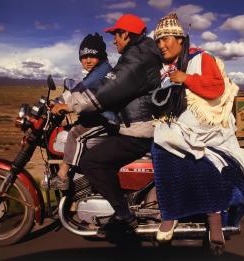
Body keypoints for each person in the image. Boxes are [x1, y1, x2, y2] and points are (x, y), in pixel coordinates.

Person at [151, 13, 244, 255]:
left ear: (180, 38)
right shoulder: (168, 67)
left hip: (209, 124)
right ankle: (172, 212)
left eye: (165, 39)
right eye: (158, 41)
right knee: (161, 145)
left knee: (194, 154)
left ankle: (214, 219)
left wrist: (186, 78)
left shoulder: (201, 58)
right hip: (184, 123)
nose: (161, 45)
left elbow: (216, 88)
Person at [53, 14, 162, 232]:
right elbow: (104, 85)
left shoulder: (136, 59)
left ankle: (123, 213)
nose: (114, 40)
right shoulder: (137, 55)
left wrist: (72, 105)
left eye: (116, 35)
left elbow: (106, 90)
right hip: (133, 126)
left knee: (92, 162)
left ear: (127, 34)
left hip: (137, 132)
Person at [46, 33, 118, 190]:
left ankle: (62, 176)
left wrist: (59, 103)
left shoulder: (101, 71)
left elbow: (79, 90)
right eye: (84, 57)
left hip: (108, 119)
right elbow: (81, 92)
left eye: (92, 56)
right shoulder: (101, 70)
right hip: (102, 115)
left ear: (101, 56)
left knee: (74, 134)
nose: (87, 60)